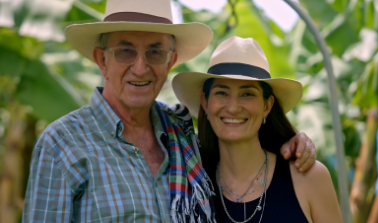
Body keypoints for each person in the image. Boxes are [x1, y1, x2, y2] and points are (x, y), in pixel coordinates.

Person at [22, 0, 318, 222]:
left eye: (154, 51)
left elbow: (239, 144)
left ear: (171, 60)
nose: (140, 67)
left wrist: (289, 142)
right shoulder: (61, 145)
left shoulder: (182, 133)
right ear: (102, 59)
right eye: (125, 51)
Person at [172, 36, 343, 222]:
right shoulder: (190, 185)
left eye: (247, 94)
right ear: (205, 102)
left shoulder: (310, 178)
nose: (233, 107)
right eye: (222, 93)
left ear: (267, 106)